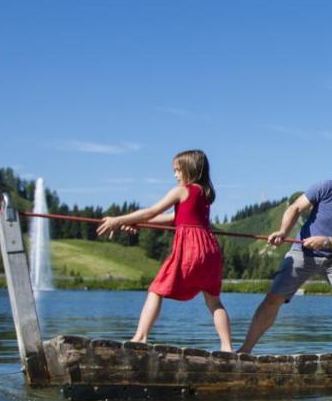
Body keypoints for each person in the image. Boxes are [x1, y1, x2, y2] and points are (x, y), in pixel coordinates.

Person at [239, 156, 332, 355]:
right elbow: (295, 207)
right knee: (273, 298)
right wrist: (283, 232)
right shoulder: (325, 187)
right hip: (303, 252)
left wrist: (327, 241)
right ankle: (245, 350)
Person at [97, 150, 231, 351]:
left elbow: (152, 211)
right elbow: (172, 219)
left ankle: (140, 338)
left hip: (191, 249)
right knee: (213, 300)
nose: (175, 175)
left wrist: (119, 219)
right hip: (211, 250)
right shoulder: (203, 194)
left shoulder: (181, 191)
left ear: (189, 169)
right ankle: (227, 347)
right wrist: (138, 223)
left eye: (177, 170)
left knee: (156, 289)